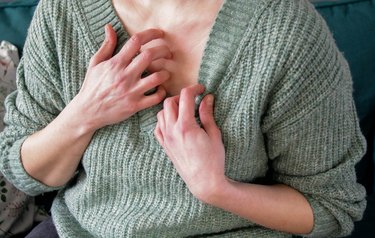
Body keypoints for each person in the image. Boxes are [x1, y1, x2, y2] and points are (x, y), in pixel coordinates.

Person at [0, 0, 367, 237]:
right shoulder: (63, 11)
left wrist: (218, 189)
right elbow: (26, 173)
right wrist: (84, 113)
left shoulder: (287, 32)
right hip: (82, 230)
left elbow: (330, 208)